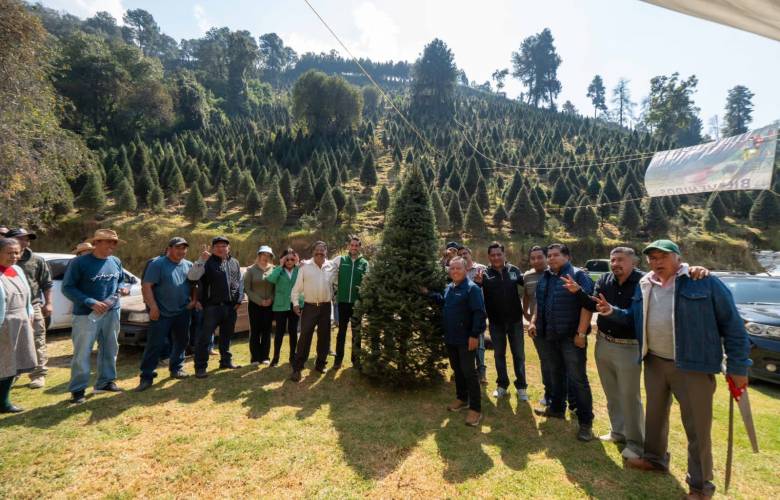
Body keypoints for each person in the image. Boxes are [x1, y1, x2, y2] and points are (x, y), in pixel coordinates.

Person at [593, 240, 750, 499]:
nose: (657, 262)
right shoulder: (645, 285)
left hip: (692, 365)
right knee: (654, 418)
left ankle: (700, 486)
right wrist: (611, 311)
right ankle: (654, 460)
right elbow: (634, 317)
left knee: (697, 427)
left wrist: (738, 366)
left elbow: (733, 325)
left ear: (678, 257)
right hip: (654, 360)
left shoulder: (703, 281)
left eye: (663, 256)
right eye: (652, 258)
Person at [529, 243, 595, 442]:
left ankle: (585, 423)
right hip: (550, 336)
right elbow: (540, 303)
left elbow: (588, 305)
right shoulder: (547, 276)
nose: (551, 259)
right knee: (555, 374)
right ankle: (557, 408)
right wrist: (534, 321)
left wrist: (581, 334)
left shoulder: (578, 275)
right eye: (549, 255)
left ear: (567, 256)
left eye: (555, 255)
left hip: (571, 337)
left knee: (577, 379)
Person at [62, 229, 130, 404]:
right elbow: (67, 287)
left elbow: (121, 280)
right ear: (97, 242)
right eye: (109, 242)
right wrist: (90, 301)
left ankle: (106, 382)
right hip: (86, 315)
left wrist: (123, 287)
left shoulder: (115, 261)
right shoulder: (80, 262)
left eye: (114, 242)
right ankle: (78, 390)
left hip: (112, 312)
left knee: (110, 348)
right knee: (83, 352)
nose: (112, 246)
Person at [424, 257, 487, 426]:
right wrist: (427, 293)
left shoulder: (471, 289)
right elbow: (442, 300)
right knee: (457, 369)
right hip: (451, 337)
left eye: (458, 268)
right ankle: (462, 398)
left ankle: (475, 409)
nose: (455, 271)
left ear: (466, 270)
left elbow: (479, 313)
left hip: (466, 339)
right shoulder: (450, 288)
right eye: (452, 268)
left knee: (469, 372)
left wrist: (474, 335)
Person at [134, 237, 196, 391]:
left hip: (182, 311)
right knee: (155, 344)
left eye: (184, 248)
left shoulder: (189, 265)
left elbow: (194, 284)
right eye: (177, 248)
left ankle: (176, 368)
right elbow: (146, 286)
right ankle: (146, 376)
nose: (181, 251)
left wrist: (194, 300)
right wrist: (153, 307)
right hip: (161, 312)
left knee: (182, 341)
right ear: (169, 248)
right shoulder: (158, 264)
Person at [523, 245, 576, 411]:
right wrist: (528, 317)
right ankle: (550, 395)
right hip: (538, 328)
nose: (537, 260)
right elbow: (528, 297)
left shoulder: (557, 274)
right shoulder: (528, 276)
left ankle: (567, 398)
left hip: (557, 329)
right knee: (546, 363)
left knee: (563, 365)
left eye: (541, 257)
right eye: (533, 258)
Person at [473, 242, 528, 399]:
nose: (496, 257)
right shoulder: (484, 274)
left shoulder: (514, 271)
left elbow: (529, 288)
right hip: (496, 323)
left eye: (499, 254)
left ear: (504, 255)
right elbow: (476, 294)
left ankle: (522, 387)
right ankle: (502, 385)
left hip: (516, 321)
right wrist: (478, 284)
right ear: (489, 257)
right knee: (499, 355)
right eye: (493, 255)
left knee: (519, 354)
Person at [188, 236, 244, 378]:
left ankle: (226, 361)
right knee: (205, 338)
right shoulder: (207, 262)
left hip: (230, 307)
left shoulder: (235, 262)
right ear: (213, 249)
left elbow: (239, 281)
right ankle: (200, 367)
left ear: (228, 248)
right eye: (217, 246)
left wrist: (238, 300)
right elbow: (192, 277)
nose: (221, 248)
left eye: (224, 246)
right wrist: (201, 260)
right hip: (211, 307)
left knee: (226, 337)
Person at [7, 228, 52, 389]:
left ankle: (38, 374)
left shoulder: (37, 260)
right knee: (10, 341)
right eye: (21, 239)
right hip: (9, 308)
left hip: (33, 305)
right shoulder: (4, 259)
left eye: (27, 239)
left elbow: (46, 284)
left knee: (37, 339)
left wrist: (49, 303)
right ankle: (11, 374)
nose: (25, 242)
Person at [289, 241, 338, 382]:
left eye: (322, 250)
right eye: (317, 249)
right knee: (305, 337)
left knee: (324, 337)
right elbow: (296, 288)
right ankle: (297, 369)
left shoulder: (331, 267)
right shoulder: (304, 267)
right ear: (313, 251)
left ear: (326, 252)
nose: (319, 252)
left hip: (326, 307)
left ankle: (320, 364)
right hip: (310, 306)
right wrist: (296, 304)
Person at [0, 238, 37, 413]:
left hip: (20, 321)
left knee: (13, 363)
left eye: (17, 252)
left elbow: (28, 297)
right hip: (3, 323)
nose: (14, 256)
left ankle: (4, 401)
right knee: (3, 363)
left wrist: (29, 313)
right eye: (9, 252)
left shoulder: (17, 270)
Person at [333, 236, 369, 370]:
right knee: (341, 332)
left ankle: (356, 360)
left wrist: (363, 300)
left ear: (359, 247)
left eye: (356, 245)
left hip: (356, 304)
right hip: (342, 302)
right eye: (352, 245)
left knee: (356, 332)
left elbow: (367, 282)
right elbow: (326, 266)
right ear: (348, 246)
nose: (354, 247)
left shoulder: (364, 263)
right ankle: (338, 360)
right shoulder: (341, 260)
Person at [266, 248, 302, 367]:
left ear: (295, 259)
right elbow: (270, 279)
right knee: (279, 333)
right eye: (287, 259)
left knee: (293, 332)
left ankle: (293, 357)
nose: (290, 261)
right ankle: (275, 358)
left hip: (294, 305)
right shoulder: (278, 270)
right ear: (283, 259)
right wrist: (280, 266)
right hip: (280, 306)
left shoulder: (300, 270)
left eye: (292, 259)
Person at [458, 246, 488, 384]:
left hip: (478, 311)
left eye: (465, 253)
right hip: (463, 313)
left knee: (479, 344)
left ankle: (482, 373)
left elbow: (489, 287)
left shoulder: (481, 268)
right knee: (463, 343)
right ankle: (463, 371)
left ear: (471, 254)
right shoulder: (460, 270)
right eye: (461, 254)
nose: (463, 255)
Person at [245, 246, 276, 366]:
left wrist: (270, 300)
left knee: (267, 331)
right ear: (259, 255)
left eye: (268, 254)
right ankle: (255, 358)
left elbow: (276, 288)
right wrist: (259, 301)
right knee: (255, 331)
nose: (265, 256)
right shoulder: (251, 270)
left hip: (269, 305)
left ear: (270, 256)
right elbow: (247, 288)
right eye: (263, 254)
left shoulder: (274, 269)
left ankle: (265, 357)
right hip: (255, 305)